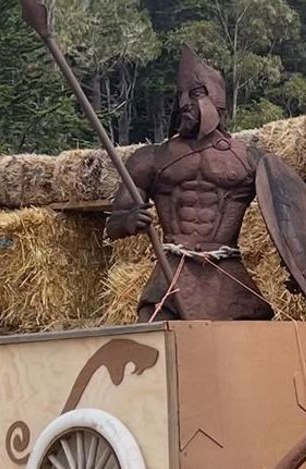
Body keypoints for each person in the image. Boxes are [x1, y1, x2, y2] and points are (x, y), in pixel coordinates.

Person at [106, 46, 275, 322]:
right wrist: (128, 221)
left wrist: (300, 275)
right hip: (172, 273)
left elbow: (289, 225)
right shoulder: (151, 159)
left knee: (248, 349)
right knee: (161, 347)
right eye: (181, 95)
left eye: (195, 93)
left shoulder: (250, 161)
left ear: (216, 98)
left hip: (228, 274)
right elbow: (113, 225)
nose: (185, 102)